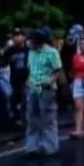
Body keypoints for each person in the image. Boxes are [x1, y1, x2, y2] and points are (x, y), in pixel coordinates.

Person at [24, 28, 63, 156]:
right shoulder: (31, 52)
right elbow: (30, 69)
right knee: (31, 118)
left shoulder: (51, 52)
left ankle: (50, 147)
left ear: (38, 41)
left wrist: (49, 80)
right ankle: (32, 147)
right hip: (32, 88)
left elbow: (57, 70)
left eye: (31, 41)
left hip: (46, 89)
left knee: (48, 119)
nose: (29, 43)